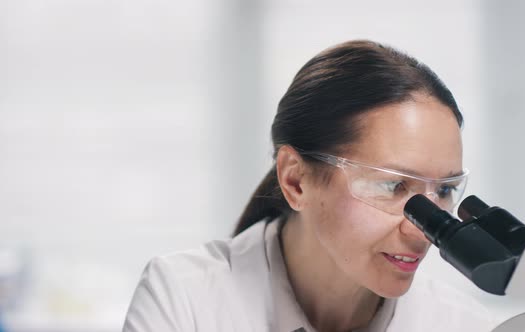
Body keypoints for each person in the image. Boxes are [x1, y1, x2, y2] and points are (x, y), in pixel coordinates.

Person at [122, 40, 496, 332]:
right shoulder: (186, 299)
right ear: (295, 180)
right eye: (393, 185)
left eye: (444, 191)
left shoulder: (463, 324)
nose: (423, 232)